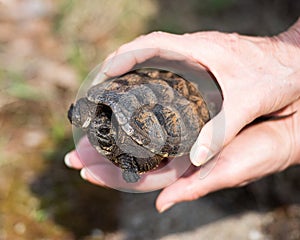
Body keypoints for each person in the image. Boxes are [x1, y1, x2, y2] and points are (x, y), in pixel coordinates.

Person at [64, 19, 300, 213]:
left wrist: (285, 55)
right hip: (159, 86)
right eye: (99, 124)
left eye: (102, 127)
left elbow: (149, 154)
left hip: (183, 105)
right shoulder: (100, 117)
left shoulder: (131, 149)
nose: (99, 126)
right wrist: (291, 135)